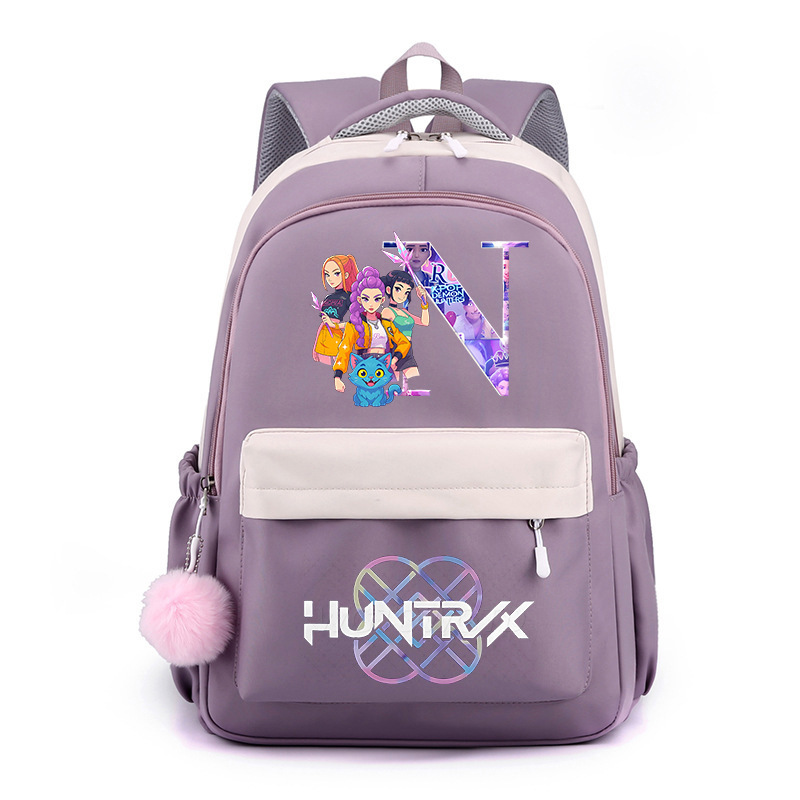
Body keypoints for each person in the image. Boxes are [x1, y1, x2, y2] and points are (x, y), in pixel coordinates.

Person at [332, 266, 410, 394]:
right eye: (366, 299)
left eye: (377, 299)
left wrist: (395, 359)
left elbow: (404, 342)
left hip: (385, 365)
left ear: (382, 300)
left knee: (385, 396)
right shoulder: (355, 325)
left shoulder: (387, 324)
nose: (371, 304)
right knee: (367, 397)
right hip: (366, 367)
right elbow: (345, 348)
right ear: (359, 300)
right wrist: (337, 376)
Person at [380, 269, 429, 383]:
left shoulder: (404, 312)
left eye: (406, 292)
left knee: (415, 379)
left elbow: (424, 322)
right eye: (398, 289)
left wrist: (424, 302)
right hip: (395, 349)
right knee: (394, 382)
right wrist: (393, 356)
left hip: (407, 350)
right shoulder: (387, 311)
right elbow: (386, 334)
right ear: (389, 289)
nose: (402, 295)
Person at [312, 255, 357, 364]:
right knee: (323, 368)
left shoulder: (349, 297)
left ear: (346, 275)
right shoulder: (328, 298)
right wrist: (315, 346)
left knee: (338, 366)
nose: (330, 278)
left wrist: (335, 325)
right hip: (322, 339)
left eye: (336, 273)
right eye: (327, 274)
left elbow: (355, 323)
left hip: (337, 338)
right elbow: (322, 324)